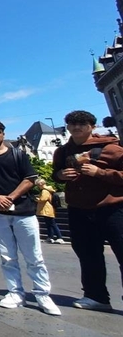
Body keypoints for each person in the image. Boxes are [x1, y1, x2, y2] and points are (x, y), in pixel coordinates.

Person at [0, 120, 60, 316]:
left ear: (3, 133)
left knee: (34, 256)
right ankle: (15, 292)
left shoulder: (18, 154)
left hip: (23, 211)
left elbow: (29, 179)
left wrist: (10, 197)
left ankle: (42, 294)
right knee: (7, 257)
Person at [53, 109, 123, 311]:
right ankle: (96, 296)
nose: (76, 127)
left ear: (92, 127)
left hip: (112, 208)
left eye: (82, 124)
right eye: (72, 124)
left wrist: (99, 172)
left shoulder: (112, 148)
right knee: (87, 254)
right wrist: (61, 175)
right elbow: (55, 174)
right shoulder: (63, 151)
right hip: (79, 209)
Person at [35, 179, 64, 244]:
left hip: (47, 209)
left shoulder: (45, 191)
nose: (38, 187)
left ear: (40, 184)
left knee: (52, 224)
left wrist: (37, 199)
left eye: (38, 185)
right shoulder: (48, 190)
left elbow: (43, 199)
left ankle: (59, 237)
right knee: (49, 224)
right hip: (49, 209)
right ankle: (50, 237)